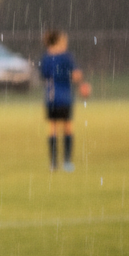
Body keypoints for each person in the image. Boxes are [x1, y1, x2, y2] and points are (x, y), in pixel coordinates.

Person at [40, 30, 82, 172]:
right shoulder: (66, 57)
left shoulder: (46, 58)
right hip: (65, 97)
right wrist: (80, 84)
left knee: (52, 128)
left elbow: (44, 76)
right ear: (58, 41)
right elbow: (76, 75)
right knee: (68, 127)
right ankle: (67, 162)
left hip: (50, 97)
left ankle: (53, 164)